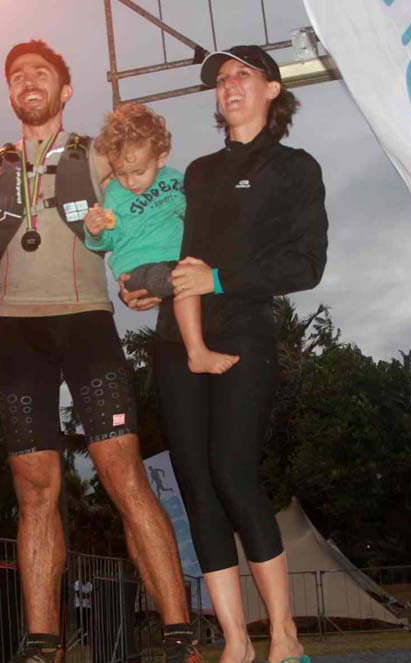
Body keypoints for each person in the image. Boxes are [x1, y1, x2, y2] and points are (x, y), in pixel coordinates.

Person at [0, 40, 199, 663]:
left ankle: (182, 637)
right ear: (8, 93)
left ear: (64, 89)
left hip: (88, 326)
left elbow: (158, 193)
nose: (29, 80)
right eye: (17, 74)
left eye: (41, 72)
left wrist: (152, 274)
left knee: (124, 476)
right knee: (34, 489)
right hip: (19, 333)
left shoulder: (97, 153)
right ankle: (43, 644)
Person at [121, 45, 328, 663]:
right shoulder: (199, 172)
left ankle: (284, 637)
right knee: (196, 487)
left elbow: (307, 265)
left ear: (271, 89)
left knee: (234, 472)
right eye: (221, 79)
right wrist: (147, 285)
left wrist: (219, 280)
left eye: (243, 75)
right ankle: (236, 642)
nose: (229, 85)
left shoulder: (296, 168)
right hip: (175, 341)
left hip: (243, 334)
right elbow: (180, 248)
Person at [84, 103, 238, 374]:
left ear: (162, 157)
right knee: (184, 278)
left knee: (189, 273)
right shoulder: (116, 195)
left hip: (175, 260)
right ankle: (197, 353)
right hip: (138, 269)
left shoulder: (177, 180)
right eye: (121, 173)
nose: (130, 182)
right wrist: (95, 232)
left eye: (139, 172)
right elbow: (111, 240)